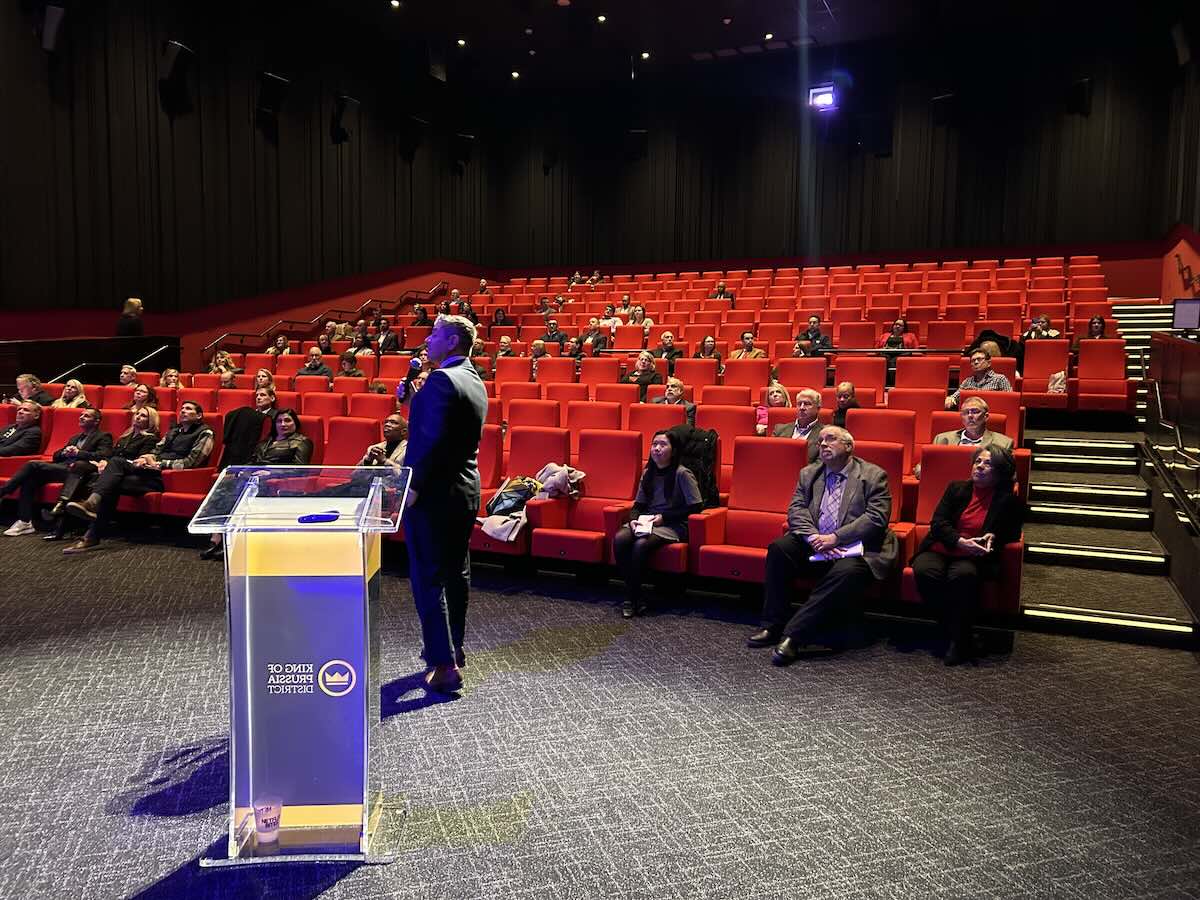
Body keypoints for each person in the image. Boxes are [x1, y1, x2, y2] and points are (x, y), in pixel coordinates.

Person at [749, 425, 898, 664]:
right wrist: (813, 538)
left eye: (831, 439)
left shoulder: (873, 475)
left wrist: (836, 538)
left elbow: (876, 518)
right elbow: (795, 509)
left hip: (857, 548)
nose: (823, 444)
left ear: (849, 446)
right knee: (780, 549)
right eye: (820, 441)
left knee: (846, 571)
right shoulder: (810, 473)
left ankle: (794, 635)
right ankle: (773, 624)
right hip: (817, 541)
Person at [403, 315, 488, 693]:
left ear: (452, 340)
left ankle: (442, 663)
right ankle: (456, 650)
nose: (428, 339)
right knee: (457, 574)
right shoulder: (474, 379)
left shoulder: (441, 380)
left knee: (428, 578)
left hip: (435, 493)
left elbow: (430, 442)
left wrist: (414, 487)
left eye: (435, 334)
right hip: (464, 491)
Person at [911, 446, 1024, 665]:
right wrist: (959, 541)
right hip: (943, 546)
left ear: (1000, 471)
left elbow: (1012, 531)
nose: (979, 467)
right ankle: (961, 635)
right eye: (977, 462)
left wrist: (992, 536)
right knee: (925, 570)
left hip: (973, 555)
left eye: (987, 464)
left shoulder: (1007, 498)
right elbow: (938, 523)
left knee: (963, 576)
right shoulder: (957, 489)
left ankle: (956, 640)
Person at [62, 402, 214, 553]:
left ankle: (91, 518)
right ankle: (90, 531)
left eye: (188, 409)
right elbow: (155, 450)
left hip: (169, 478)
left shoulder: (205, 433)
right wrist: (145, 458)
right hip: (148, 473)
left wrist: (158, 464)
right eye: (181, 408)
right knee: (112, 483)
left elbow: (191, 462)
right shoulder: (174, 432)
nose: (183, 411)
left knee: (115, 466)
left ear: (199, 415)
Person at [200, 409, 314, 559]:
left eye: (287, 420)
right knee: (224, 486)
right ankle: (216, 538)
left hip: (273, 480)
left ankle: (229, 541)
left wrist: (271, 473)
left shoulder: (301, 441)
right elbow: (252, 461)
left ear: (295, 423)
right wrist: (241, 470)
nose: (283, 424)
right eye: (279, 421)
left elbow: (300, 468)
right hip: (252, 476)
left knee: (240, 492)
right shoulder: (265, 442)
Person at [612, 430, 703, 618]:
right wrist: (633, 520)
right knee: (620, 539)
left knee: (640, 544)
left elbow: (695, 507)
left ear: (673, 450)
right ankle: (636, 595)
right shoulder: (648, 473)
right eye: (654, 444)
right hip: (648, 521)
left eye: (663, 445)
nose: (657, 449)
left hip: (674, 524)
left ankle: (631, 597)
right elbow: (638, 505)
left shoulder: (682, 474)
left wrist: (665, 517)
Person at [42, 408, 159, 541]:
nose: (138, 417)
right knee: (85, 477)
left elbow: (139, 462)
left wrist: (110, 464)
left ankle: (75, 521)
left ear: (150, 421)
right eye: (137, 414)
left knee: (102, 481)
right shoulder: (124, 437)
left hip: (134, 475)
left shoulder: (151, 439)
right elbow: (112, 456)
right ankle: (66, 525)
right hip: (116, 471)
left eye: (143, 416)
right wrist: (103, 463)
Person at [0, 407, 113, 536]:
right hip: (62, 468)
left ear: (96, 421)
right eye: (81, 415)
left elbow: (104, 455)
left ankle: (4, 491)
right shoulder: (75, 437)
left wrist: (79, 453)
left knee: (32, 465)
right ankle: (25, 522)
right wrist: (65, 452)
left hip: (79, 473)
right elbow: (56, 456)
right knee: (30, 479)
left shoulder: (103, 436)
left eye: (86, 416)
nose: (81, 417)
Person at [219, 387, 278, 469]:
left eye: (262, 395)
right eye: (257, 395)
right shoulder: (247, 416)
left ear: (272, 398)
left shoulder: (276, 415)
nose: (258, 398)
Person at [933, 396, 1013, 451]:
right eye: (965, 412)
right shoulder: (942, 439)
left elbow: (1008, 474)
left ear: (986, 416)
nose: (970, 415)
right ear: (961, 417)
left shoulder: (1003, 443)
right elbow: (924, 466)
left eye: (975, 411)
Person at [946, 347, 1013, 408]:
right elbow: (954, 397)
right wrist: (950, 399)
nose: (976, 362)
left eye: (979, 359)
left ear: (989, 363)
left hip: (993, 413)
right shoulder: (967, 381)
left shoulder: (1000, 379)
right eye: (973, 360)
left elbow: (1010, 401)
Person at [772, 388, 823, 462]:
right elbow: (771, 455)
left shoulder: (824, 433)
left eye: (807, 404)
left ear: (818, 408)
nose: (802, 408)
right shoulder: (779, 429)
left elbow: (820, 463)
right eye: (799, 404)